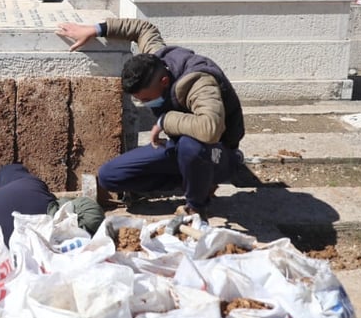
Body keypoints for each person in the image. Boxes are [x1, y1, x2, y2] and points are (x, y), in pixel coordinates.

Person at [56, 18, 245, 213]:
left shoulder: (200, 83)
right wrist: (94, 29)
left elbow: (210, 129)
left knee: (192, 146)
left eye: (146, 98)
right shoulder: (155, 59)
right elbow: (142, 28)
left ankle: (196, 206)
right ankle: (196, 181)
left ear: (164, 81)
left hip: (217, 152)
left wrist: (165, 121)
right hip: (179, 148)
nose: (144, 104)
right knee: (109, 176)